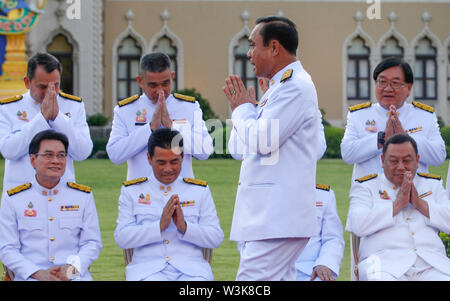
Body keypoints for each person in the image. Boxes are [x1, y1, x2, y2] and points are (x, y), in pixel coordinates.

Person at [223, 16, 320, 281]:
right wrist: (248, 112)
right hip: (269, 217)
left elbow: (262, 142)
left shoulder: (294, 87)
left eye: (254, 45)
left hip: (276, 217)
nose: (249, 54)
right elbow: (241, 148)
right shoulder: (278, 89)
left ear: (274, 48)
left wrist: (242, 108)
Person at [114, 128, 223, 281]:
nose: (168, 169)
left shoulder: (198, 191)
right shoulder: (132, 191)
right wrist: (159, 226)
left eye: (174, 162)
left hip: (192, 271)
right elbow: (122, 237)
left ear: (183, 157)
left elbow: (216, 237)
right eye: (161, 162)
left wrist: (184, 227)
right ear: (149, 158)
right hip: (147, 271)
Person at [0, 130, 102, 281]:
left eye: (61, 155)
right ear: (33, 160)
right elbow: (7, 249)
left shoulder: (82, 196)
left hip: (72, 276)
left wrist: (72, 270)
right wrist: (37, 273)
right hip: (31, 276)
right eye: (48, 155)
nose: (56, 160)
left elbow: (92, 243)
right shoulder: (14, 198)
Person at [346, 133, 450, 281]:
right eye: (394, 161)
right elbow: (358, 224)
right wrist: (397, 205)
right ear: (382, 161)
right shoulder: (366, 186)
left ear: (417, 160)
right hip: (383, 264)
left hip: (431, 264)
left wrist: (420, 204)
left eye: (407, 160)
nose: (401, 167)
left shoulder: (432, 184)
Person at [107, 52, 213, 181]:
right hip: (142, 196)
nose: (160, 90)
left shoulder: (189, 107)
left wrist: (173, 127)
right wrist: (150, 128)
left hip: (181, 193)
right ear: (140, 81)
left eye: (165, 83)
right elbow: (115, 154)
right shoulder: (125, 110)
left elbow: (205, 151)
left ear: (172, 77)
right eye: (153, 85)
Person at [340, 57, 446, 183]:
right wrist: (381, 139)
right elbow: (347, 154)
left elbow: (439, 156)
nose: (388, 89)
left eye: (395, 83)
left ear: (409, 88)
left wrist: (406, 138)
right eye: (382, 82)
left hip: (412, 196)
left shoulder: (424, 115)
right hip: (370, 196)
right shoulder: (359, 115)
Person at [0, 53, 93, 195]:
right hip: (21, 194)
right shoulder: (9, 107)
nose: (51, 92)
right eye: (42, 86)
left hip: (61, 193)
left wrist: (58, 118)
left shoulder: (73, 105)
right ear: (27, 82)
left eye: (56, 85)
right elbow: (9, 151)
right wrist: (42, 119)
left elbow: (83, 152)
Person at [295, 184, 345, 281]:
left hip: (311, 272)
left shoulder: (323, 195)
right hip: (271, 269)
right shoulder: (263, 193)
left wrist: (325, 263)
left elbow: (333, 238)